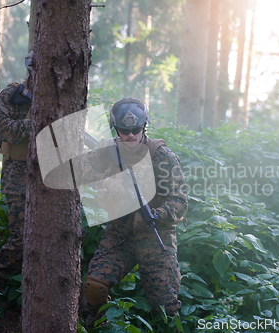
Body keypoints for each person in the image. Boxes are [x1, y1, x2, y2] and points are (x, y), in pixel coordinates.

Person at [82, 97, 188, 327]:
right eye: (124, 130)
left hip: (155, 235)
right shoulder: (108, 151)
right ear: (116, 129)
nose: (130, 135)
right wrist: (108, 182)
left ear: (144, 126)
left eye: (136, 129)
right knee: (94, 288)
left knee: (165, 308)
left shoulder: (163, 157)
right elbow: (83, 169)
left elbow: (179, 201)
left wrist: (158, 214)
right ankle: (99, 326)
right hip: (120, 232)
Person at [0, 52, 34, 302]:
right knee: (22, 238)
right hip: (19, 176)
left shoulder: (66, 96)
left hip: (54, 177)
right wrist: (32, 124)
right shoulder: (14, 95)